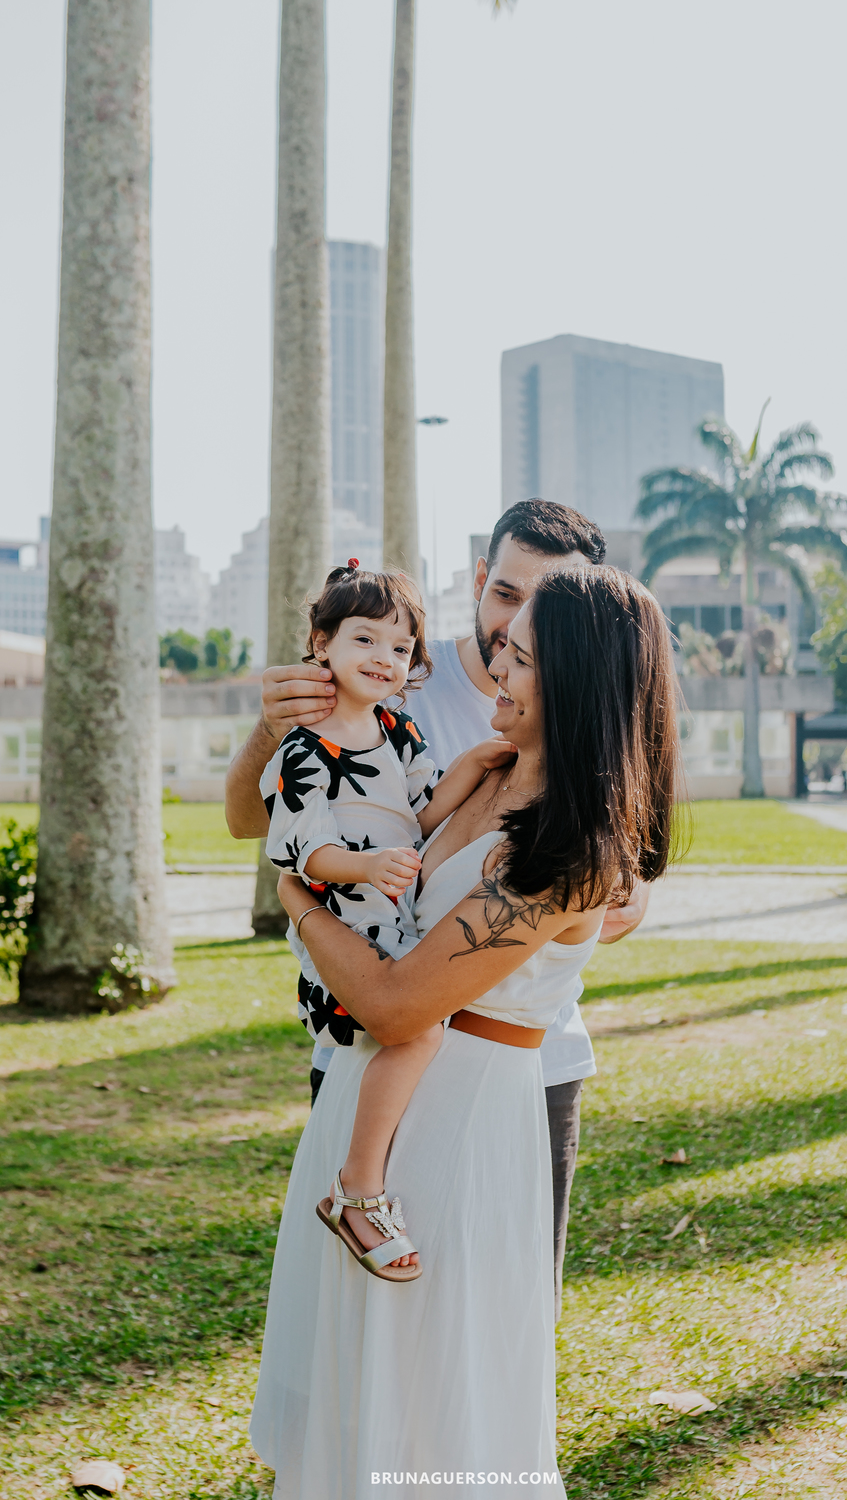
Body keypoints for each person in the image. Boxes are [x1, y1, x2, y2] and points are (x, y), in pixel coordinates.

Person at [250, 565, 681, 1494]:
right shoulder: (478, 773)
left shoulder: (568, 849)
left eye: (519, 659)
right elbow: (308, 807)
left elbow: (400, 1004)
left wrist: (299, 901)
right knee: (354, 1404)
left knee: (429, 1422)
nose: (496, 669)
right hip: (369, 1112)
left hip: (457, 1138)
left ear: (570, 684)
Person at [225, 498, 651, 1312]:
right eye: (507, 596)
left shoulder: (595, 710)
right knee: (366, 1322)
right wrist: (271, 730)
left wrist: (605, 900)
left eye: (544, 610)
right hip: (372, 1031)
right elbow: (255, 819)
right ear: (481, 579)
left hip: (526, 1057)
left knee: (497, 1311)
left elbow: (626, 870)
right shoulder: (393, 678)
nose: (516, 628)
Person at [262, 560, 514, 1278]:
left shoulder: (396, 729)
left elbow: (426, 812)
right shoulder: (305, 747)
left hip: (391, 916)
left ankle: (372, 1180)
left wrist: (477, 763)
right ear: (321, 643)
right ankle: (358, 1188)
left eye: (399, 649)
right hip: (343, 918)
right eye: (365, 640)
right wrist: (367, 866)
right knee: (416, 1027)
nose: (383, 659)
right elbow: (300, 850)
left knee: (425, 1025)